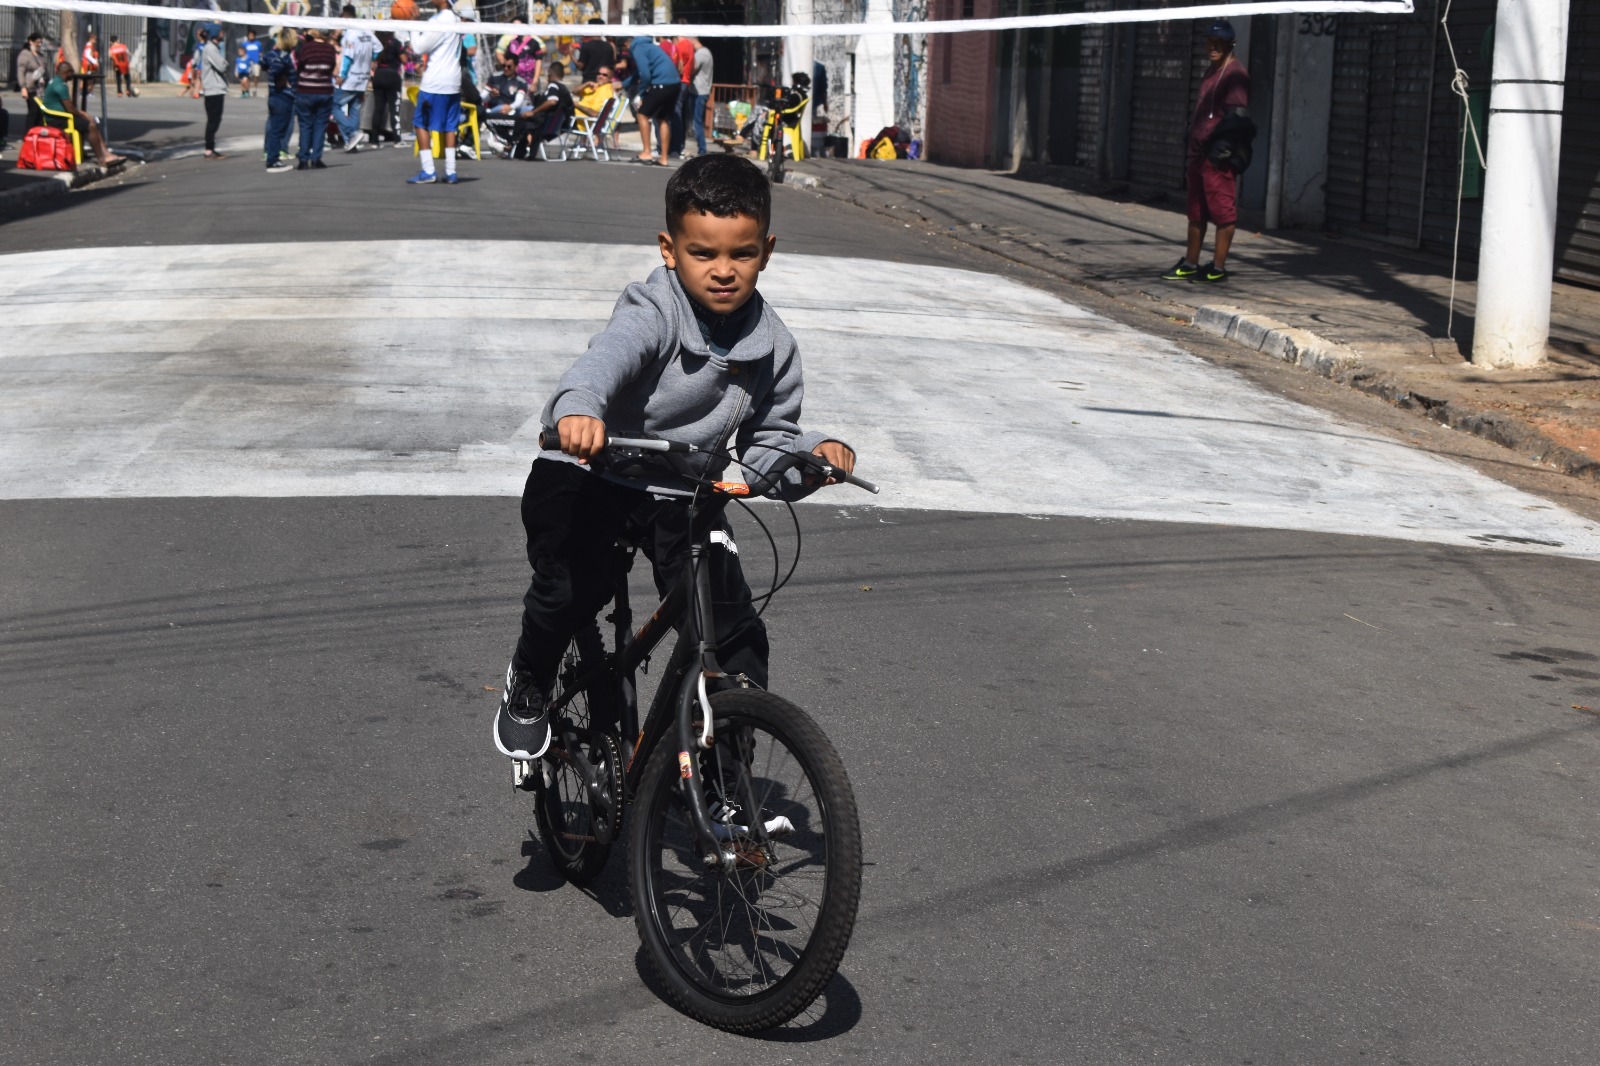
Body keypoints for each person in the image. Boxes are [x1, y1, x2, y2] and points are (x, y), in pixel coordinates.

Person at [493, 153, 859, 761]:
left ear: (766, 251)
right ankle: (528, 677)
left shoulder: (774, 346)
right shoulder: (653, 310)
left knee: (732, 629)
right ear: (669, 248)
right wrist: (580, 410)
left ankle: (726, 782)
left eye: (741, 254)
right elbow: (604, 360)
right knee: (569, 592)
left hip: (680, 494)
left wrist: (805, 459)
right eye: (702, 253)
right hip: (592, 470)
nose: (723, 271)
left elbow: (769, 439)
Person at [1162, 19, 1250, 285]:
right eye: (1209, 43)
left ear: (1229, 44)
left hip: (1216, 158)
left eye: (1218, 43)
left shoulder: (1235, 74)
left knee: (1223, 212)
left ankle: (1218, 267)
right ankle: (1190, 263)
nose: (1212, 48)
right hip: (1198, 154)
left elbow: (1238, 116)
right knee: (1196, 211)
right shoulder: (1211, 71)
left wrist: (1221, 150)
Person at [406, 0, 464, 185]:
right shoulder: (454, 18)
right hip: (453, 81)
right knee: (450, 126)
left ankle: (429, 170)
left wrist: (412, 23)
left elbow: (418, 47)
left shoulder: (439, 21)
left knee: (420, 123)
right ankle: (451, 171)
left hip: (436, 82)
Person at [39, 60, 125, 166]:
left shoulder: (55, 81)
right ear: (67, 73)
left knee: (91, 122)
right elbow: (70, 109)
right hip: (57, 119)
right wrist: (84, 115)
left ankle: (106, 154)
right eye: (71, 72)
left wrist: (84, 115)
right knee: (90, 125)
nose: (73, 75)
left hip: (57, 116)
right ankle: (102, 159)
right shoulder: (61, 86)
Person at [620, 34, 678, 167]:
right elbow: (638, 73)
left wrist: (642, 93)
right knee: (662, 118)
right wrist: (624, 84)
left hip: (660, 84)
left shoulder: (638, 48)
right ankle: (664, 158)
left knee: (642, 114)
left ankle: (646, 152)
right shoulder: (649, 46)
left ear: (627, 44)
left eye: (624, 48)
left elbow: (645, 74)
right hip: (674, 84)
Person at [293, 27, 339, 169]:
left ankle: (303, 158)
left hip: (305, 90)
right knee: (320, 125)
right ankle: (316, 158)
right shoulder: (330, 49)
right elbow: (333, 68)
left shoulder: (306, 48)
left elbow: (299, 66)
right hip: (324, 90)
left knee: (305, 125)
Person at [507, 59, 571, 160]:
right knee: (526, 121)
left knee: (522, 118)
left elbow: (552, 101)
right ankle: (520, 150)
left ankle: (512, 143)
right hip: (557, 123)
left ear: (549, 73)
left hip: (548, 124)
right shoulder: (563, 88)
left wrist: (533, 112)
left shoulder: (553, 85)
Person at [335, 6, 378, 152]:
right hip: (363, 77)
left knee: (333, 105)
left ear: (346, 15)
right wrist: (371, 60)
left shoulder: (350, 33)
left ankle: (352, 133)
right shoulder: (366, 30)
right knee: (354, 109)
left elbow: (347, 57)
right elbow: (379, 47)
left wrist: (342, 75)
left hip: (351, 78)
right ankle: (352, 143)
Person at [263, 28, 298, 172]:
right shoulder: (284, 57)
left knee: (274, 128)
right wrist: (281, 78)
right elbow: (277, 68)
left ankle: (272, 157)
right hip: (282, 96)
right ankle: (273, 160)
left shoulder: (272, 54)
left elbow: (264, 62)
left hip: (273, 96)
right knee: (278, 130)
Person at [197, 24, 229, 159]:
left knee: (214, 119)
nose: (223, 34)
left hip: (214, 89)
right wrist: (226, 63)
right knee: (213, 120)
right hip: (213, 89)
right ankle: (209, 149)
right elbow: (222, 66)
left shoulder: (212, 48)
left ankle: (210, 148)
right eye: (221, 32)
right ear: (216, 34)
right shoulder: (211, 49)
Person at [368, 31, 405, 145]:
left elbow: (372, 62)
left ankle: (374, 140)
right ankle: (397, 139)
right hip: (392, 75)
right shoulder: (396, 43)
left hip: (379, 75)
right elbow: (404, 60)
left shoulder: (375, 44)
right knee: (394, 109)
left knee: (378, 109)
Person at [667, 30, 694, 158]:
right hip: (687, 81)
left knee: (675, 114)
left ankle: (675, 147)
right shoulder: (690, 45)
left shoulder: (680, 46)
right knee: (681, 114)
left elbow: (679, 65)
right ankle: (680, 145)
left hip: (680, 80)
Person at [687, 36, 712, 157]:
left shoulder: (701, 54)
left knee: (697, 122)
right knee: (697, 121)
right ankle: (701, 149)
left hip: (699, 91)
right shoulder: (706, 52)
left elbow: (692, 68)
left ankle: (702, 150)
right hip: (702, 90)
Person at [17, 33, 48, 127]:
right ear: (31, 42)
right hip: (30, 88)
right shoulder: (25, 54)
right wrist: (23, 87)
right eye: (37, 42)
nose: (39, 44)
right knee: (33, 111)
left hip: (40, 89)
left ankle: (37, 136)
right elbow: (20, 71)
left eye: (41, 42)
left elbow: (45, 70)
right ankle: (28, 135)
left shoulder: (41, 56)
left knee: (40, 112)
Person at [78, 32, 100, 109]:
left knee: (90, 79)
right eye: (95, 39)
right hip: (86, 65)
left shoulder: (91, 46)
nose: (96, 40)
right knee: (85, 79)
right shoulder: (89, 46)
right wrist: (95, 62)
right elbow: (87, 55)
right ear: (91, 39)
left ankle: (88, 92)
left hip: (88, 65)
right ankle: (83, 92)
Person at [242, 29, 263, 96]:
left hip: (256, 62)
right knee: (247, 76)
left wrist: (260, 58)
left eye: (252, 35)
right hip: (247, 62)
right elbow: (242, 52)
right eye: (250, 35)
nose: (251, 36)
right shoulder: (245, 44)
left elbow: (260, 52)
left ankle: (255, 88)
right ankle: (247, 89)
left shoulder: (258, 43)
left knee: (256, 75)